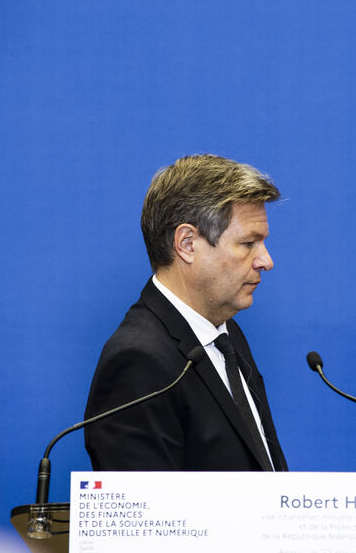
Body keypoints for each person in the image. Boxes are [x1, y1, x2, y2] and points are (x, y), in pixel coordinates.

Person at [84, 153, 287, 472]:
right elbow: (147, 504)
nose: (266, 261)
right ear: (188, 244)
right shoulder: (137, 362)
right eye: (249, 243)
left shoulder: (225, 333)